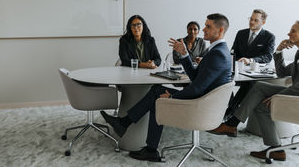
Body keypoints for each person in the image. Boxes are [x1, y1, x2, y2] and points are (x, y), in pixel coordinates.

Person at [102, 13, 231, 162]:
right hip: (201, 99)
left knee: (159, 96)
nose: (203, 29)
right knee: (157, 91)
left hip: (200, 105)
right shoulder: (216, 51)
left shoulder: (218, 54)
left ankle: (128, 127)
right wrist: (184, 54)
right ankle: (140, 139)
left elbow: (197, 89)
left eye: (208, 26)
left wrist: (171, 97)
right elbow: (196, 78)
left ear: (220, 30)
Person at [209, 21, 299, 162]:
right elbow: (282, 73)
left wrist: (278, 96)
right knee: (259, 86)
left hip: (296, 98)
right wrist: (279, 51)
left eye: (293, 31)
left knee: (262, 106)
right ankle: (233, 124)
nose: (288, 33)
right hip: (294, 93)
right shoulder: (298, 53)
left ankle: (275, 148)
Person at [225, 9, 275, 119]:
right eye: (251, 19)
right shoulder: (241, 33)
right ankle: (231, 106)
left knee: (248, 84)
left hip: (253, 72)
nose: (252, 22)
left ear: (263, 22)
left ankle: (230, 111)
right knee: (223, 82)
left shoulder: (269, 37)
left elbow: (268, 57)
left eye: (256, 20)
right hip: (238, 69)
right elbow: (233, 51)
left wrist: (251, 60)